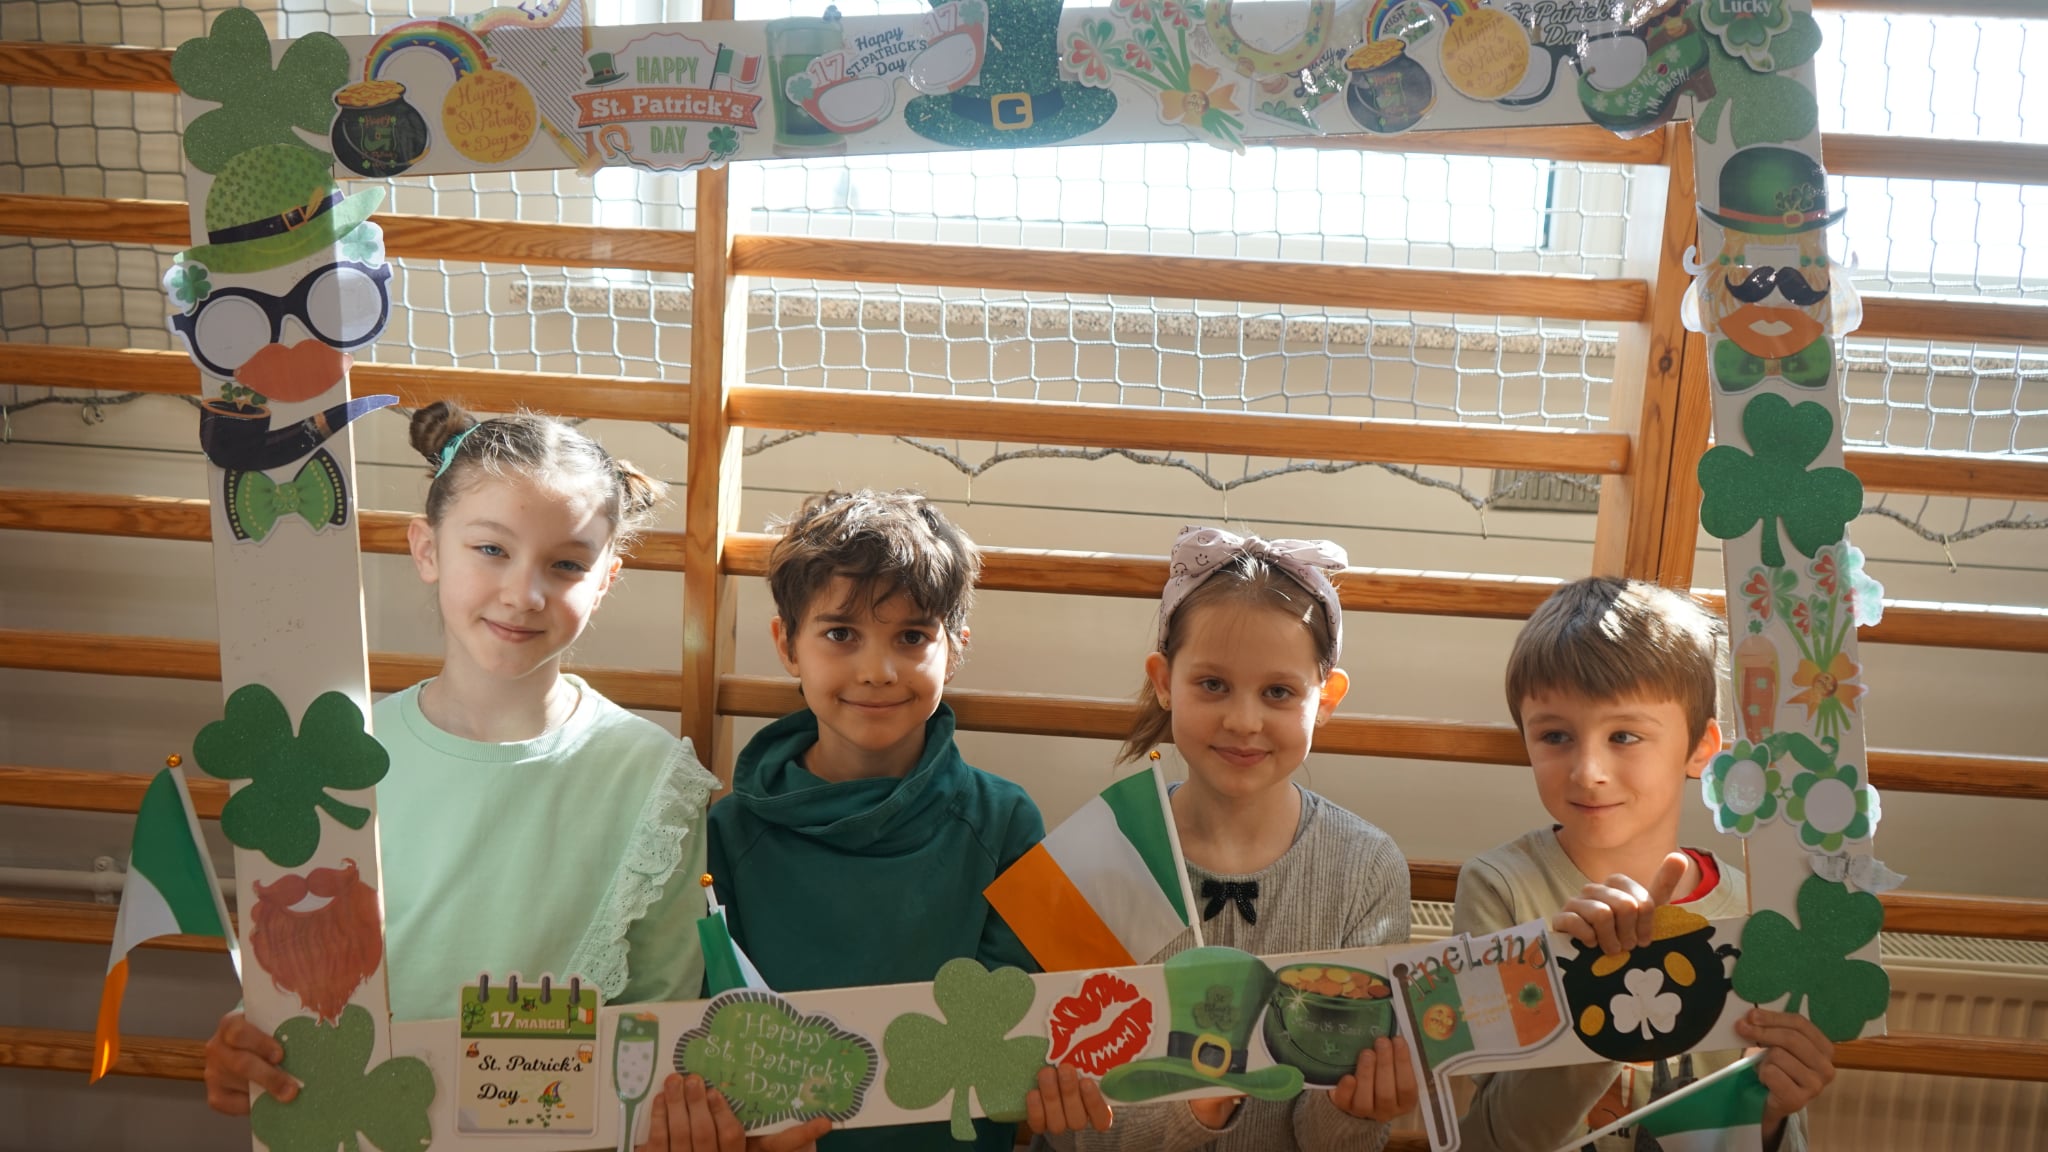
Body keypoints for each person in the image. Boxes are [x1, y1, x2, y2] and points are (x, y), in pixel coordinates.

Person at [201, 401, 826, 1152]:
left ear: (606, 579)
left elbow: (658, 1020)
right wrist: (250, 1049)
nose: (524, 594)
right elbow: (296, 984)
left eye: (566, 564)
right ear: (427, 550)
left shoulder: (654, 777)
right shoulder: (338, 756)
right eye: (492, 549)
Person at [1032, 526, 1416, 1152]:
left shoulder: (1366, 869)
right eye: (1213, 685)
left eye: (1278, 692)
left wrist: (1356, 1109)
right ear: (1164, 681)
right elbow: (1081, 1124)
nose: (1243, 720)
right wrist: (1195, 1112)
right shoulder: (1101, 857)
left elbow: (1331, 1136)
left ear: (1325, 699)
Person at [707, 489, 1046, 1152]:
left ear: (954, 650)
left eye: (912, 637)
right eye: (841, 634)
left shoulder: (1005, 823)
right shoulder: (729, 833)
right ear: (787, 645)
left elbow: (1015, 1042)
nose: (878, 670)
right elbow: (719, 1040)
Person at [1454, 577, 1836, 1152]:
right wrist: (1594, 1004)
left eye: (1625, 735)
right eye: (1555, 735)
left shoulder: (1758, 916)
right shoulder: (1501, 889)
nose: (1588, 771)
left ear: (1701, 748)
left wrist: (1769, 1118)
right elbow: (1493, 1140)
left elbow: (1775, 1130)